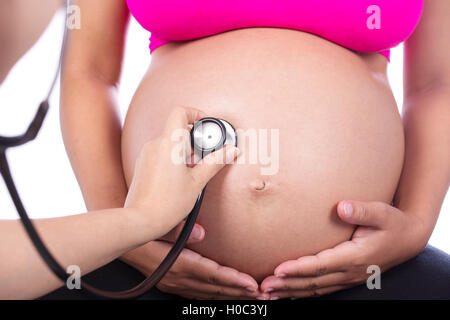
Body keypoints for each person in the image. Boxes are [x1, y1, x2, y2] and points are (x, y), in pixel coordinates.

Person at [59, 0, 450, 300]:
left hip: (367, 268)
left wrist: (417, 224)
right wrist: (118, 228)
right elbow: (88, 71)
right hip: (151, 263)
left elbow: (436, 84)